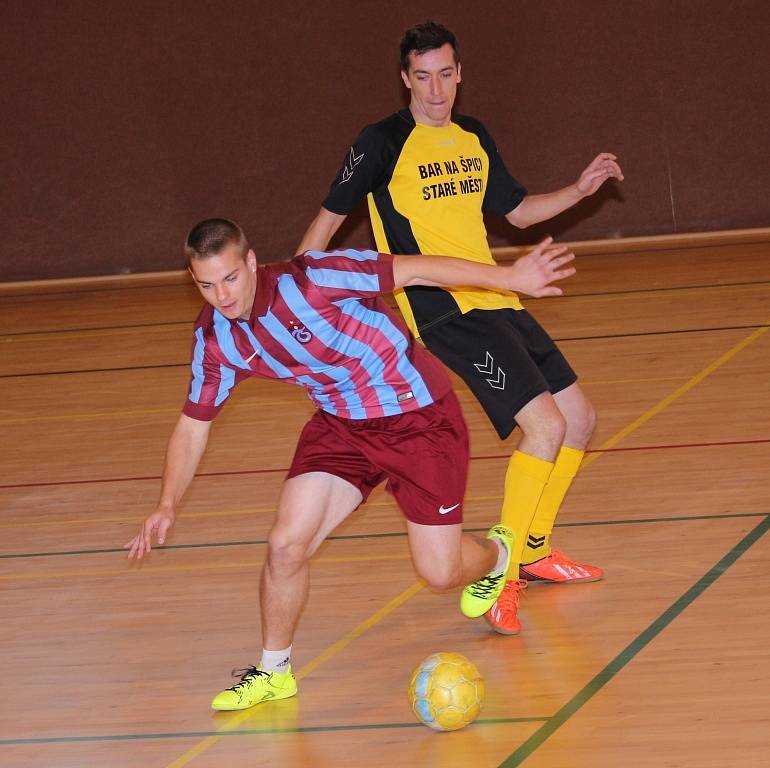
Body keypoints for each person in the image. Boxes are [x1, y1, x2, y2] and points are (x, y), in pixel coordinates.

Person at [125, 217, 575, 710]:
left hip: (419, 419)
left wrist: (510, 278)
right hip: (342, 424)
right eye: (206, 285)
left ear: (251, 261)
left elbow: (418, 270)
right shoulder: (215, 339)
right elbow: (193, 424)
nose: (222, 297)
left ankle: (497, 557)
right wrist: (166, 504)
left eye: (230, 278)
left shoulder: (315, 278)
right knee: (285, 545)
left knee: (440, 574)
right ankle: (274, 670)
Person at [296, 20, 624, 636]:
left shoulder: (472, 136)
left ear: (460, 73)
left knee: (579, 419)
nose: (437, 89)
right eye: (423, 77)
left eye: (446, 74)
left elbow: (518, 212)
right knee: (545, 425)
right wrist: (301, 300)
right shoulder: (380, 143)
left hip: (498, 296)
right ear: (405, 80)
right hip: (442, 310)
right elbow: (322, 233)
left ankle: (532, 550)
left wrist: (579, 190)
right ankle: (500, 575)